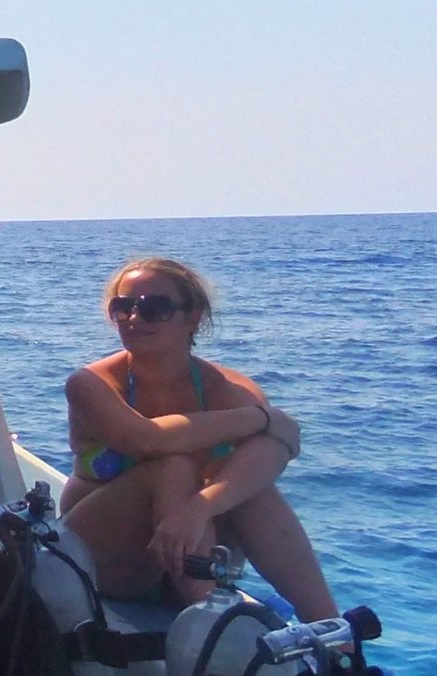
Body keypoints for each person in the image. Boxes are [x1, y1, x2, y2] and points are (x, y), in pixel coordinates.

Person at [59, 257, 337, 621]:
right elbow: (147, 441)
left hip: (189, 551)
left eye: (153, 308)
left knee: (254, 491)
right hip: (104, 563)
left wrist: (199, 508)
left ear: (192, 317)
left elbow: (272, 452)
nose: (134, 318)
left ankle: (335, 634)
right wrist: (261, 419)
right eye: (122, 307)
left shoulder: (226, 389)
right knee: (172, 468)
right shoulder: (91, 384)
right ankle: (212, 628)